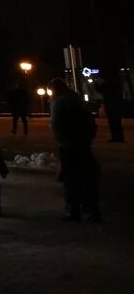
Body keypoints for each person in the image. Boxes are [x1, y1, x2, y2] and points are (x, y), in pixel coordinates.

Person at [50, 78, 101, 222]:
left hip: (68, 144)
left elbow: (55, 125)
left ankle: (74, 210)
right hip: (83, 143)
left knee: (71, 178)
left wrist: (60, 138)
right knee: (87, 177)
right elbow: (90, 123)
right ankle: (92, 209)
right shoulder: (77, 100)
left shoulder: (59, 103)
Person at [97, 73, 124, 143]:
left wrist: (99, 83)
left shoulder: (108, 86)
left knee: (113, 122)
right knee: (117, 123)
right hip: (116, 106)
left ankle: (116, 137)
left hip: (112, 106)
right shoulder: (116, 85)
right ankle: (119, 137)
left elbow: (100, 89)